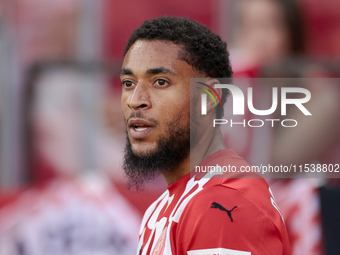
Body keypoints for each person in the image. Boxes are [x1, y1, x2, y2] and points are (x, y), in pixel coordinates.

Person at [120, 16, 291, 255]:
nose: (136, 100)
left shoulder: (223, 202)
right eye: (128, 83)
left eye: (160, 82)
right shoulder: (164, 207)